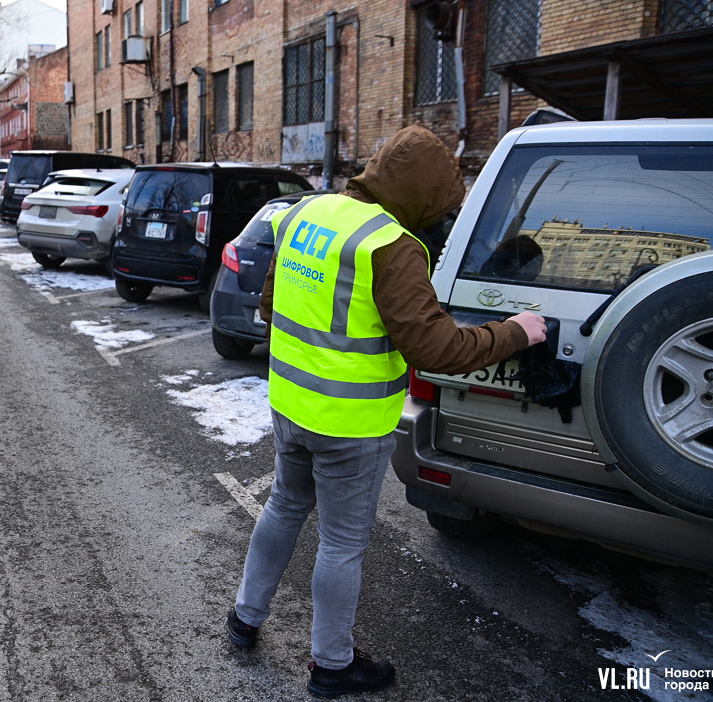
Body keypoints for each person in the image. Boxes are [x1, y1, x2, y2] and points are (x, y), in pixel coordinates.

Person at [226, 126, 547, 698]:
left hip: (291, 406)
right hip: (351, 425)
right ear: (419, 191)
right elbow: (439, 350)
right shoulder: (392, 245)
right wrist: (515, 333)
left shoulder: (307, 212)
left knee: (282, 506)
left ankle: (245, 618)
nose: (439, 213)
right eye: (439, 200)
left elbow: (272, 305)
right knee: (342, 543)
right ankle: (331, 665)